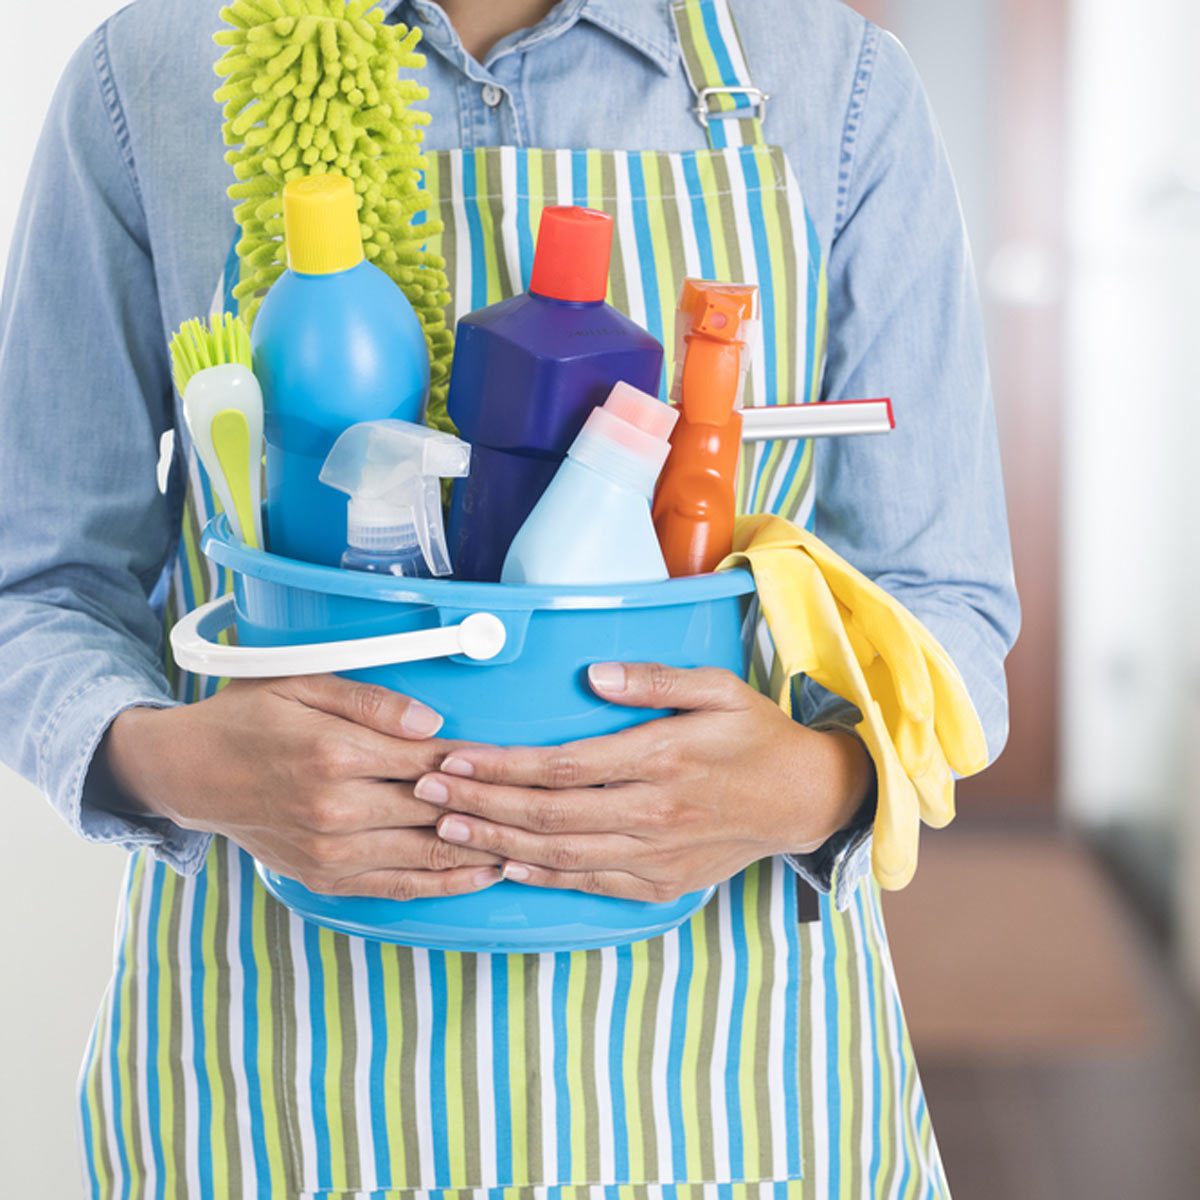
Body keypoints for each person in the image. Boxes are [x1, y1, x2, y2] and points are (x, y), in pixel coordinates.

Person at [0, 0, 1018, 1195]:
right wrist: (176, 763)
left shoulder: (836, 83)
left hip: (725, 1083)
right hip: (280, 1075)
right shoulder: (154, 71)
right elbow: (37, 582)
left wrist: (807, 783)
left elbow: (944, 599)